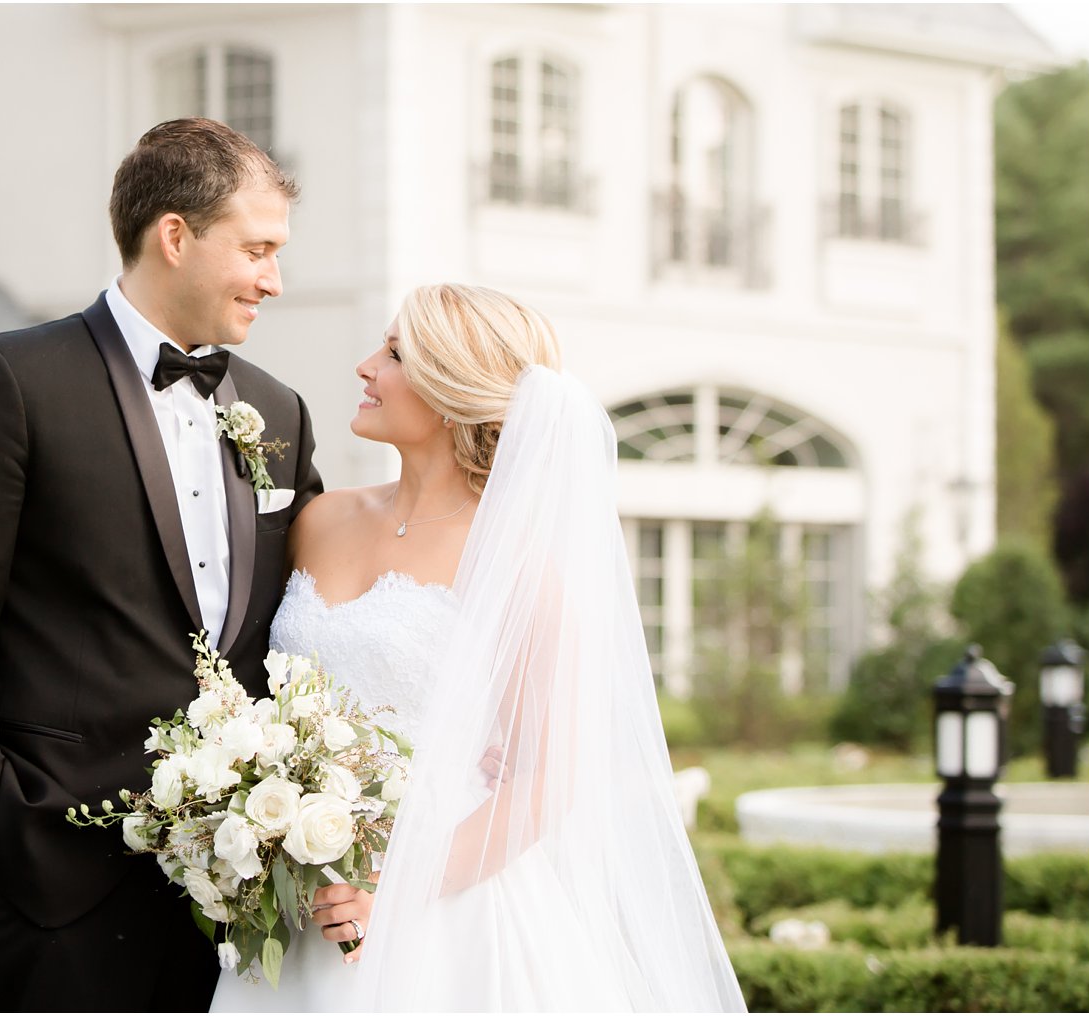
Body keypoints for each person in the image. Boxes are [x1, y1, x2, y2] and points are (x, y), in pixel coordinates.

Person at [0, 118, 323, 1012]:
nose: (274, 279)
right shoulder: (9, 381)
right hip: (56, 888)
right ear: (174, 236)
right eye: (258, 249)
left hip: (245, 911)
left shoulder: (280, 411)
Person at [210, 284, 745, 1011]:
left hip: (443, 900)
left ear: (452, 391)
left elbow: (544, 780)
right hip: (293, 885)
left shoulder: (519, 563)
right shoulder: (319, 519)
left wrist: (393, 892)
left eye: (395, 353)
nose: (365, 366)